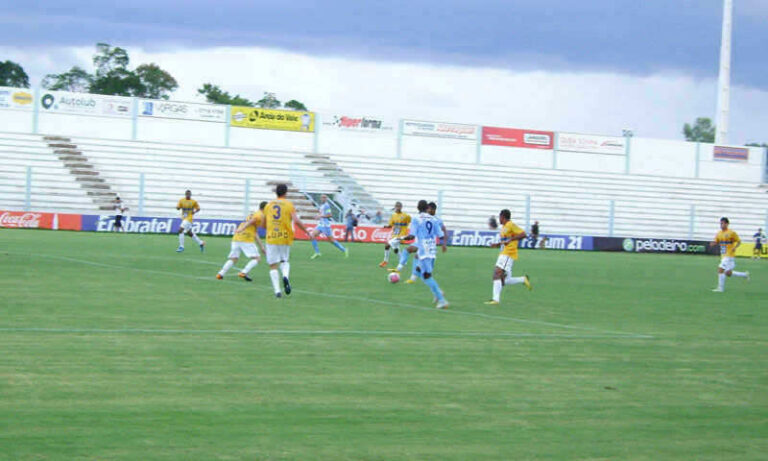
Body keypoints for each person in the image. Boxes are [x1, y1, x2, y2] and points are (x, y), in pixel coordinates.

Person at [265, 184, 314, 298]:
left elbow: (265, 221)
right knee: (284, 260)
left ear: (276, 192)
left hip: (272, 236)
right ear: (285, 193)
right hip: (285, 236)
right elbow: (296, 221)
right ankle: (285, 276)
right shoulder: (289, 205)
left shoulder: (269, 205)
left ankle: (277, 291)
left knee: (273, 265)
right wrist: (307, 232)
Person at [400, 200, 449, 308]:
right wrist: (443, 244)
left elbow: (412, 236)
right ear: (427, 207)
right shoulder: (434, 219)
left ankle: (441, 299)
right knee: (421, 272)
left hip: (423, 250)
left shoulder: (416, 219)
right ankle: (438, 293)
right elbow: (440, 235)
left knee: (426, 276)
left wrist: (401, 239)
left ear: (417, 208)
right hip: (432, 249)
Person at [485, 209, 532, 305]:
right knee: (504, 280)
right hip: (504, 253)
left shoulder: (510, 225)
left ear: (503, 217)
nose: (499, 219)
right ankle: (523, 279)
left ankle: (495, 300)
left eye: (500, 217)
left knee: (497, 273)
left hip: (508, 254)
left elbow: (523, 234)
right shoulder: (504, 228)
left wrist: (511, 239)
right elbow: (505, 241)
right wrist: (497, 244)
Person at [216, 201, 267, 281]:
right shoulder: (260, 215)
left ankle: (220, 274)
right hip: (246, 238)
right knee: (257, 258)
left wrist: (262, 247)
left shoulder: (253, 214)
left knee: (234, 258)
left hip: (237, 238)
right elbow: (251, 221)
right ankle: (244, 272)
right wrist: (242, 228)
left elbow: (254, 231)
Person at [710, 217, 750, 292]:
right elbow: (716, 241)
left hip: (729, 255)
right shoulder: (719, 233)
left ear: (727, 224)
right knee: (728, 273)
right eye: (720, 223)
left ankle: (720, 288)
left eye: (723, 223)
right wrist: (713, 243)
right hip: (723, 255)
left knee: (720, 269)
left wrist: (735, 247)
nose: (721, 225)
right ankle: (744, 275)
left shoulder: (731, 233)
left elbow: (739, 241)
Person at [310, 194, 349, 259]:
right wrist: (317, 216)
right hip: (321, 224)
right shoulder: (322, 206)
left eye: (324, 197)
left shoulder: (327, 206)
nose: (323, 199)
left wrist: (320, 216)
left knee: (331, 240)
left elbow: (330, 215)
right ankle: (317, 252)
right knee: (312, 235)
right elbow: (321, 214)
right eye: (322, 197)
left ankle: (344, 249)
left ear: (326, 199)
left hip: (325, 225)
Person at [379, 201, 411, 268]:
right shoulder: (393, 216)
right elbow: (391, 225)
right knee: (396, 250)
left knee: (387, 244)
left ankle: (385, 261)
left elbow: (413, 222)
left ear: (401, 207)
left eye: (399, 206)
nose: (398, 208)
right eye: (397, 206)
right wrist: (386, 226)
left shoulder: (406, 216)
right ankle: (403, 262)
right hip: (394, 235)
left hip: (401, 236)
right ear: (395, 207)